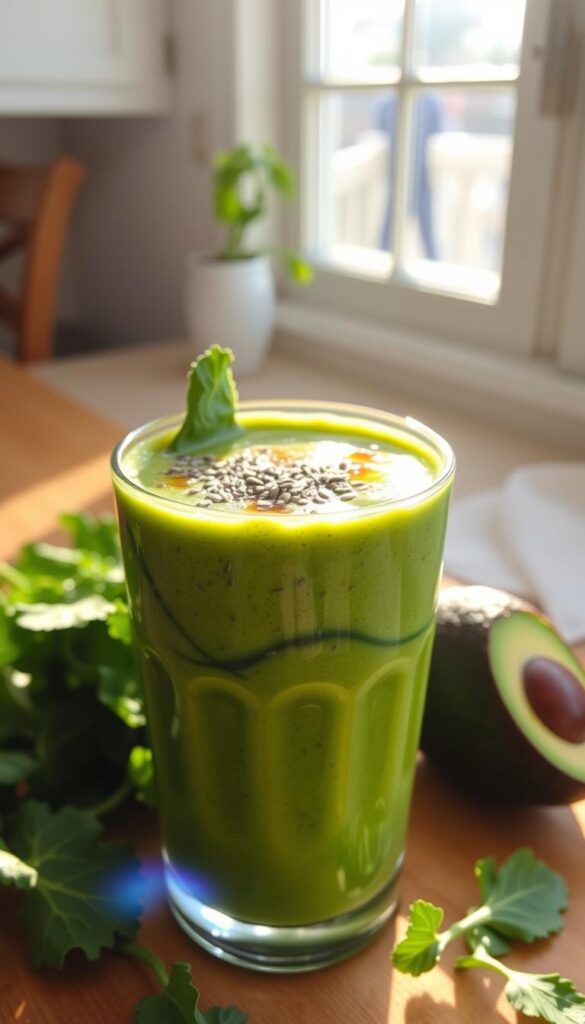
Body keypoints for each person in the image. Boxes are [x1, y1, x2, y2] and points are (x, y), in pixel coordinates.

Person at [378, 92, 442, 259]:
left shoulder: (430, 102)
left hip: (423, 181)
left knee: (428, 235)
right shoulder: (386, 104)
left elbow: (438, 136)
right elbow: (380, 135)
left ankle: (434, 267)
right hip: (397, 180)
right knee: (388, 234)